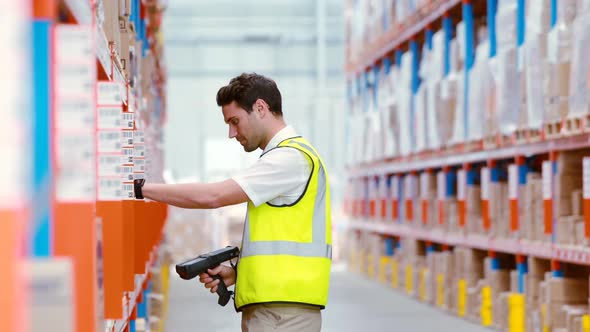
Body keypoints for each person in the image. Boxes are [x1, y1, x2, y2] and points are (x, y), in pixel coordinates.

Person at [133, 73, 332, 331]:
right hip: (278, 309)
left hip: (282, 315)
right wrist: (237, 273)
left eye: (235, 121)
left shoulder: (290, 159)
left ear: (261, 108)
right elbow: (279, 242)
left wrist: (141, 189)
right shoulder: (285, 158)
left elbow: (213, 196)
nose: (231, 133)